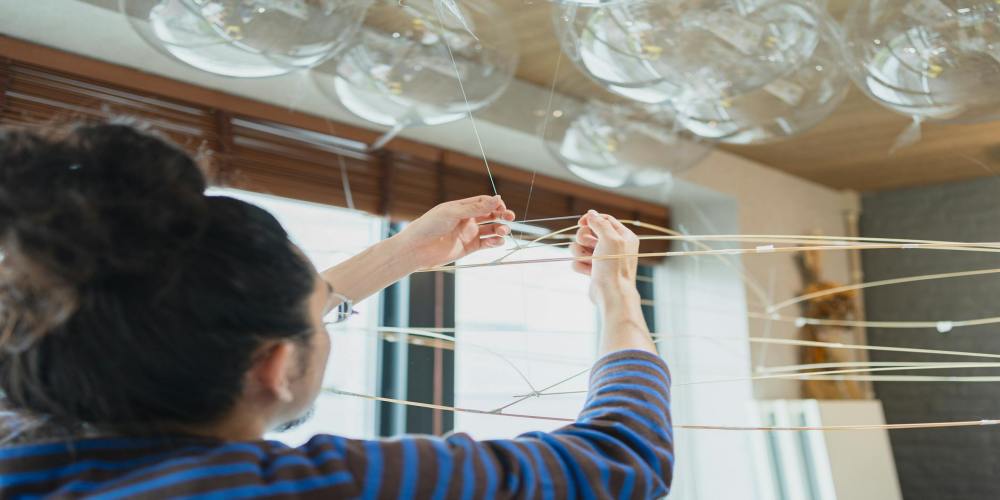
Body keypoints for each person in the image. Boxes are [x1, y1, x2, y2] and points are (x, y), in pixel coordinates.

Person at [0, 123, 672, 498]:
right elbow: (622, 460)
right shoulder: (287, 489)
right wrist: (618, 295)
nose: (326, 310)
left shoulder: (20, 439)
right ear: (273, 367)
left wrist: (402, 253)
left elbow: (206, 316)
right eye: (319, 315)